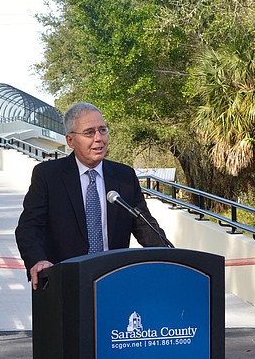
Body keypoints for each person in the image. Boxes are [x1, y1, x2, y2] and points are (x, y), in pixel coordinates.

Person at [15, 102, 171, 289]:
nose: (99, 138)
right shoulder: (48, 175)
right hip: (64, 284)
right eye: (89, 133)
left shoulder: (124, 177)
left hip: (113, 283)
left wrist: (172, 259)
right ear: (70, 140)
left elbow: (145, 227)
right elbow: (29, 228)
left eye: (102, 130)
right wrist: (38, 260)